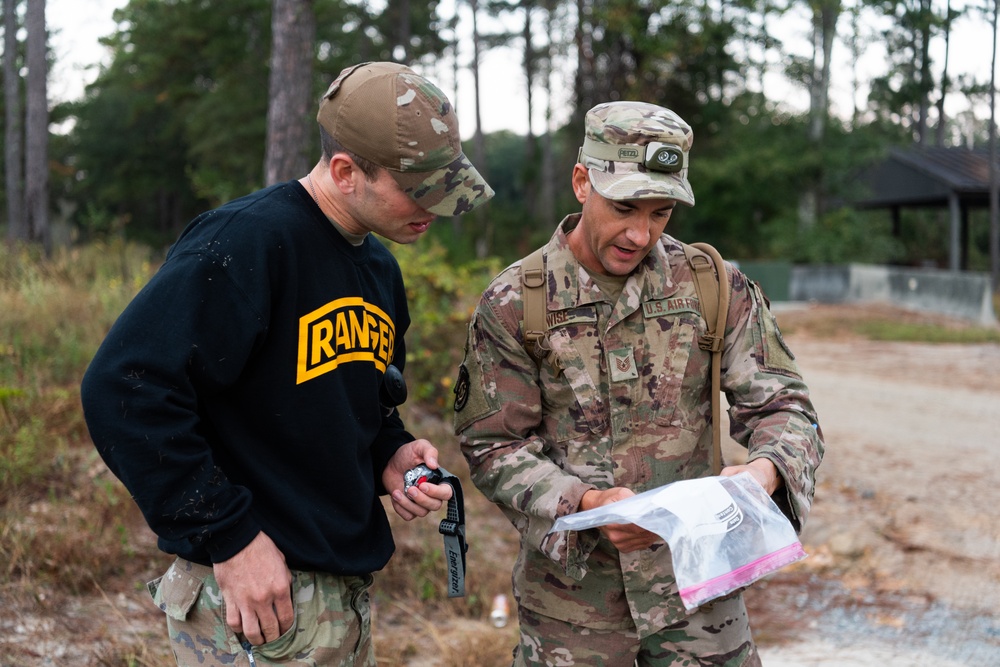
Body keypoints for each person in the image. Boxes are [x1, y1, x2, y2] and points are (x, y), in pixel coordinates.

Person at [81, 61, 492, 666]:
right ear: (347, 171)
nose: (439, 206)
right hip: (256, 602)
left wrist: (391, 453)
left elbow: (354, 406)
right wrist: (230, 537)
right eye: (420, 189)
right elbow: (125, 389)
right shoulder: (245, 243)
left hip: (341, 597)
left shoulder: (378, 268)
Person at [452, 101, 824, 667]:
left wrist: (763, 472)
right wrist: (588, 504)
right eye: (624, 206)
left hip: (702, 605)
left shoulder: (712, 287)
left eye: (661, 213)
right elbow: (493, 445)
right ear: (583, 182)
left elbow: (786, 406)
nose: (640, 233)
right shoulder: (515, 304)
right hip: (572, 616)